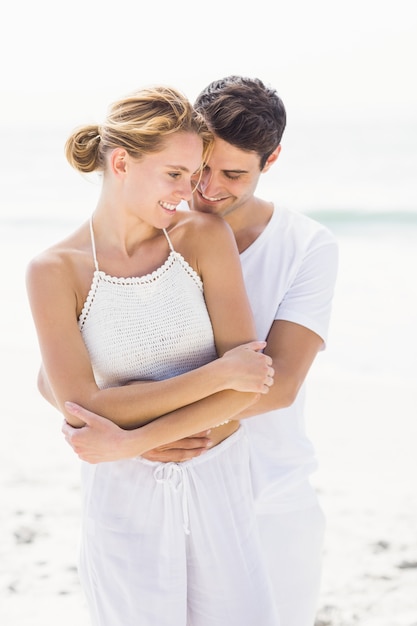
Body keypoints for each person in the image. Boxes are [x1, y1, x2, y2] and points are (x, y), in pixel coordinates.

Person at [46, 76, 340, 626]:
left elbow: (275, 386)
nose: (205, 188)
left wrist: (136, 436)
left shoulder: (306, 246)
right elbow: (60, 379)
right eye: (199, 168)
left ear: (270, 160)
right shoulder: (144, 238)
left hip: (268, 490)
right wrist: (105, 430)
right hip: (150, 491)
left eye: (233, 174)